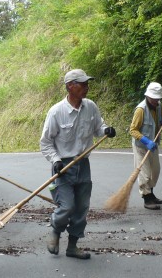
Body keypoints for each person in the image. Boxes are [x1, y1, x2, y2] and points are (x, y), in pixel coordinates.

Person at [40, 68, 116, 259]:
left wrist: (106, 130)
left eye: (86, 83)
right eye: (82, 84)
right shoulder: (57, 112)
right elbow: (46, 142)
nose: (86, 87)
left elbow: (98, 127)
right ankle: (56, 230)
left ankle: (72, 247)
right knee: (66, 207)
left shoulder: (90, 107)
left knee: (81, 208)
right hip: (63, 168)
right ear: (70, 86)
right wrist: (56, 161)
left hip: (83, 164)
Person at [129, 82, 162, 210]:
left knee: (155, 171)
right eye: (153, 98)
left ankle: (151, 194)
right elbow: (133, 130)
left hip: (153, 144)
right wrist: (146, 140)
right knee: (145, 173)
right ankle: (147, 198)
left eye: (157, 98)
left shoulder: (159, 106)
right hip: (141, 146)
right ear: (147, 96)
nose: (156, 101)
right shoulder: (140, 110)